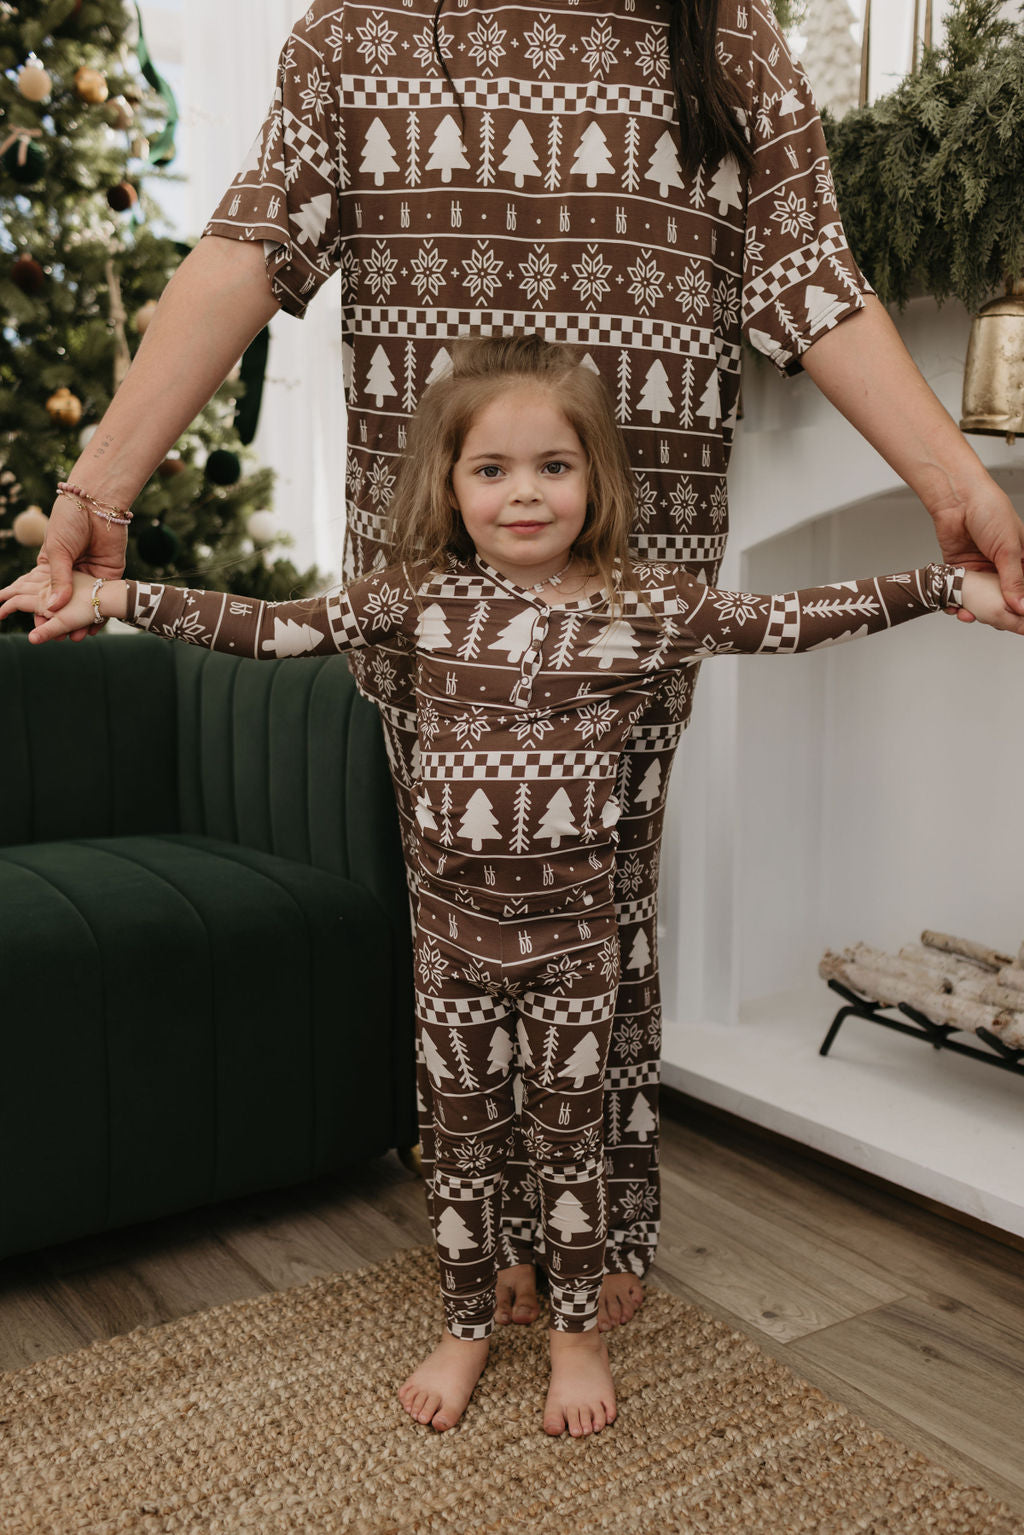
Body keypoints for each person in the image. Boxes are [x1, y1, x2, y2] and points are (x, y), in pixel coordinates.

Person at [25, 0, 1024, 1334]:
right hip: (427, 583)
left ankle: (595, 1228)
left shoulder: (725, 40)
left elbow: (811, 280)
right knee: (463, 938)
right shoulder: (358, 33)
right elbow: (250, 246)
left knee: (604, 924)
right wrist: (102, 477)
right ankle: (483, 1241)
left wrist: (956, 485)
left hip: (642, 559)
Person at [5, 335, 1020, 1437]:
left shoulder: (646, 607)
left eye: (553, 466)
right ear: (450, 484)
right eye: (491, 468)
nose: (523, 491)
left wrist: (941, 585)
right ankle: (464, 1324)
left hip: (577, 948)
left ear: (594, 482)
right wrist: (114, 603)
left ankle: (576, 1339)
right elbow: (274, 627)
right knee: (462, 1138)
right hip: (449, 946)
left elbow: (787, 619)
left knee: (568, 1145)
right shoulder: (416, 602)